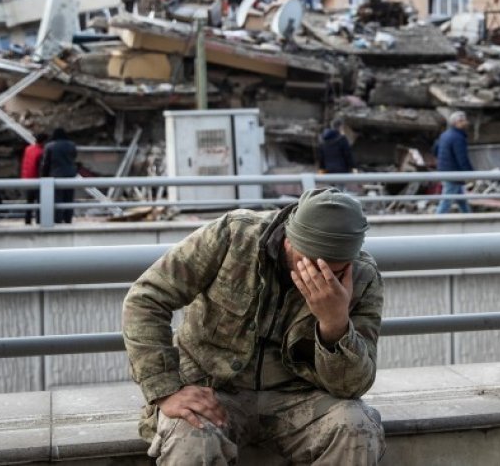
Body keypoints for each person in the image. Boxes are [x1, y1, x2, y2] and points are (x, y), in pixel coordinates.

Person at [122, 187, 384, 465]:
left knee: (357, 428)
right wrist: (166, 390)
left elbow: (352, 388)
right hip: (214, 389)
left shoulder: (363, 277)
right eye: (311, 265)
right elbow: (145, 299)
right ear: (288, 241)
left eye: (337, 271)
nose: (324, 277)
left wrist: (334, 324)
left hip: (299, 396)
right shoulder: (235, 236)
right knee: (191, 439)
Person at [435, 111, 474, 214]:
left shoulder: (444, 135)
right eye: (464, 120)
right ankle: (435, 222)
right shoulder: (458, 138)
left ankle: (469, 218)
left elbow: (434, 149)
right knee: (446, 201)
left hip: (444, 170)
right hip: (453, 173)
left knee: (461, 199)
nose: (466, 122)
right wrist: (470, 173)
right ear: (458, 122)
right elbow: (462, 158)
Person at [40, 127, 77, 224]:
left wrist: (44, 175)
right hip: (70, 175)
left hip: (56, 175)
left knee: (57, 198)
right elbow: (74, 157)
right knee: (69, 197)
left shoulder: (50, 146)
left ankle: (58, 219)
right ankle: (68, 218)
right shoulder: (72, 145)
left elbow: (46, 163)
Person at [21, 132, 48, 224]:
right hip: (36, 180)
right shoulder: (41, 152)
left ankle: (27, 221)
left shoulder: (28, 149)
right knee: (40, 202)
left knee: (29, 202)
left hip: (27, 178)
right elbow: (41, 168)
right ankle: (39, 221)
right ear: (44, 142)